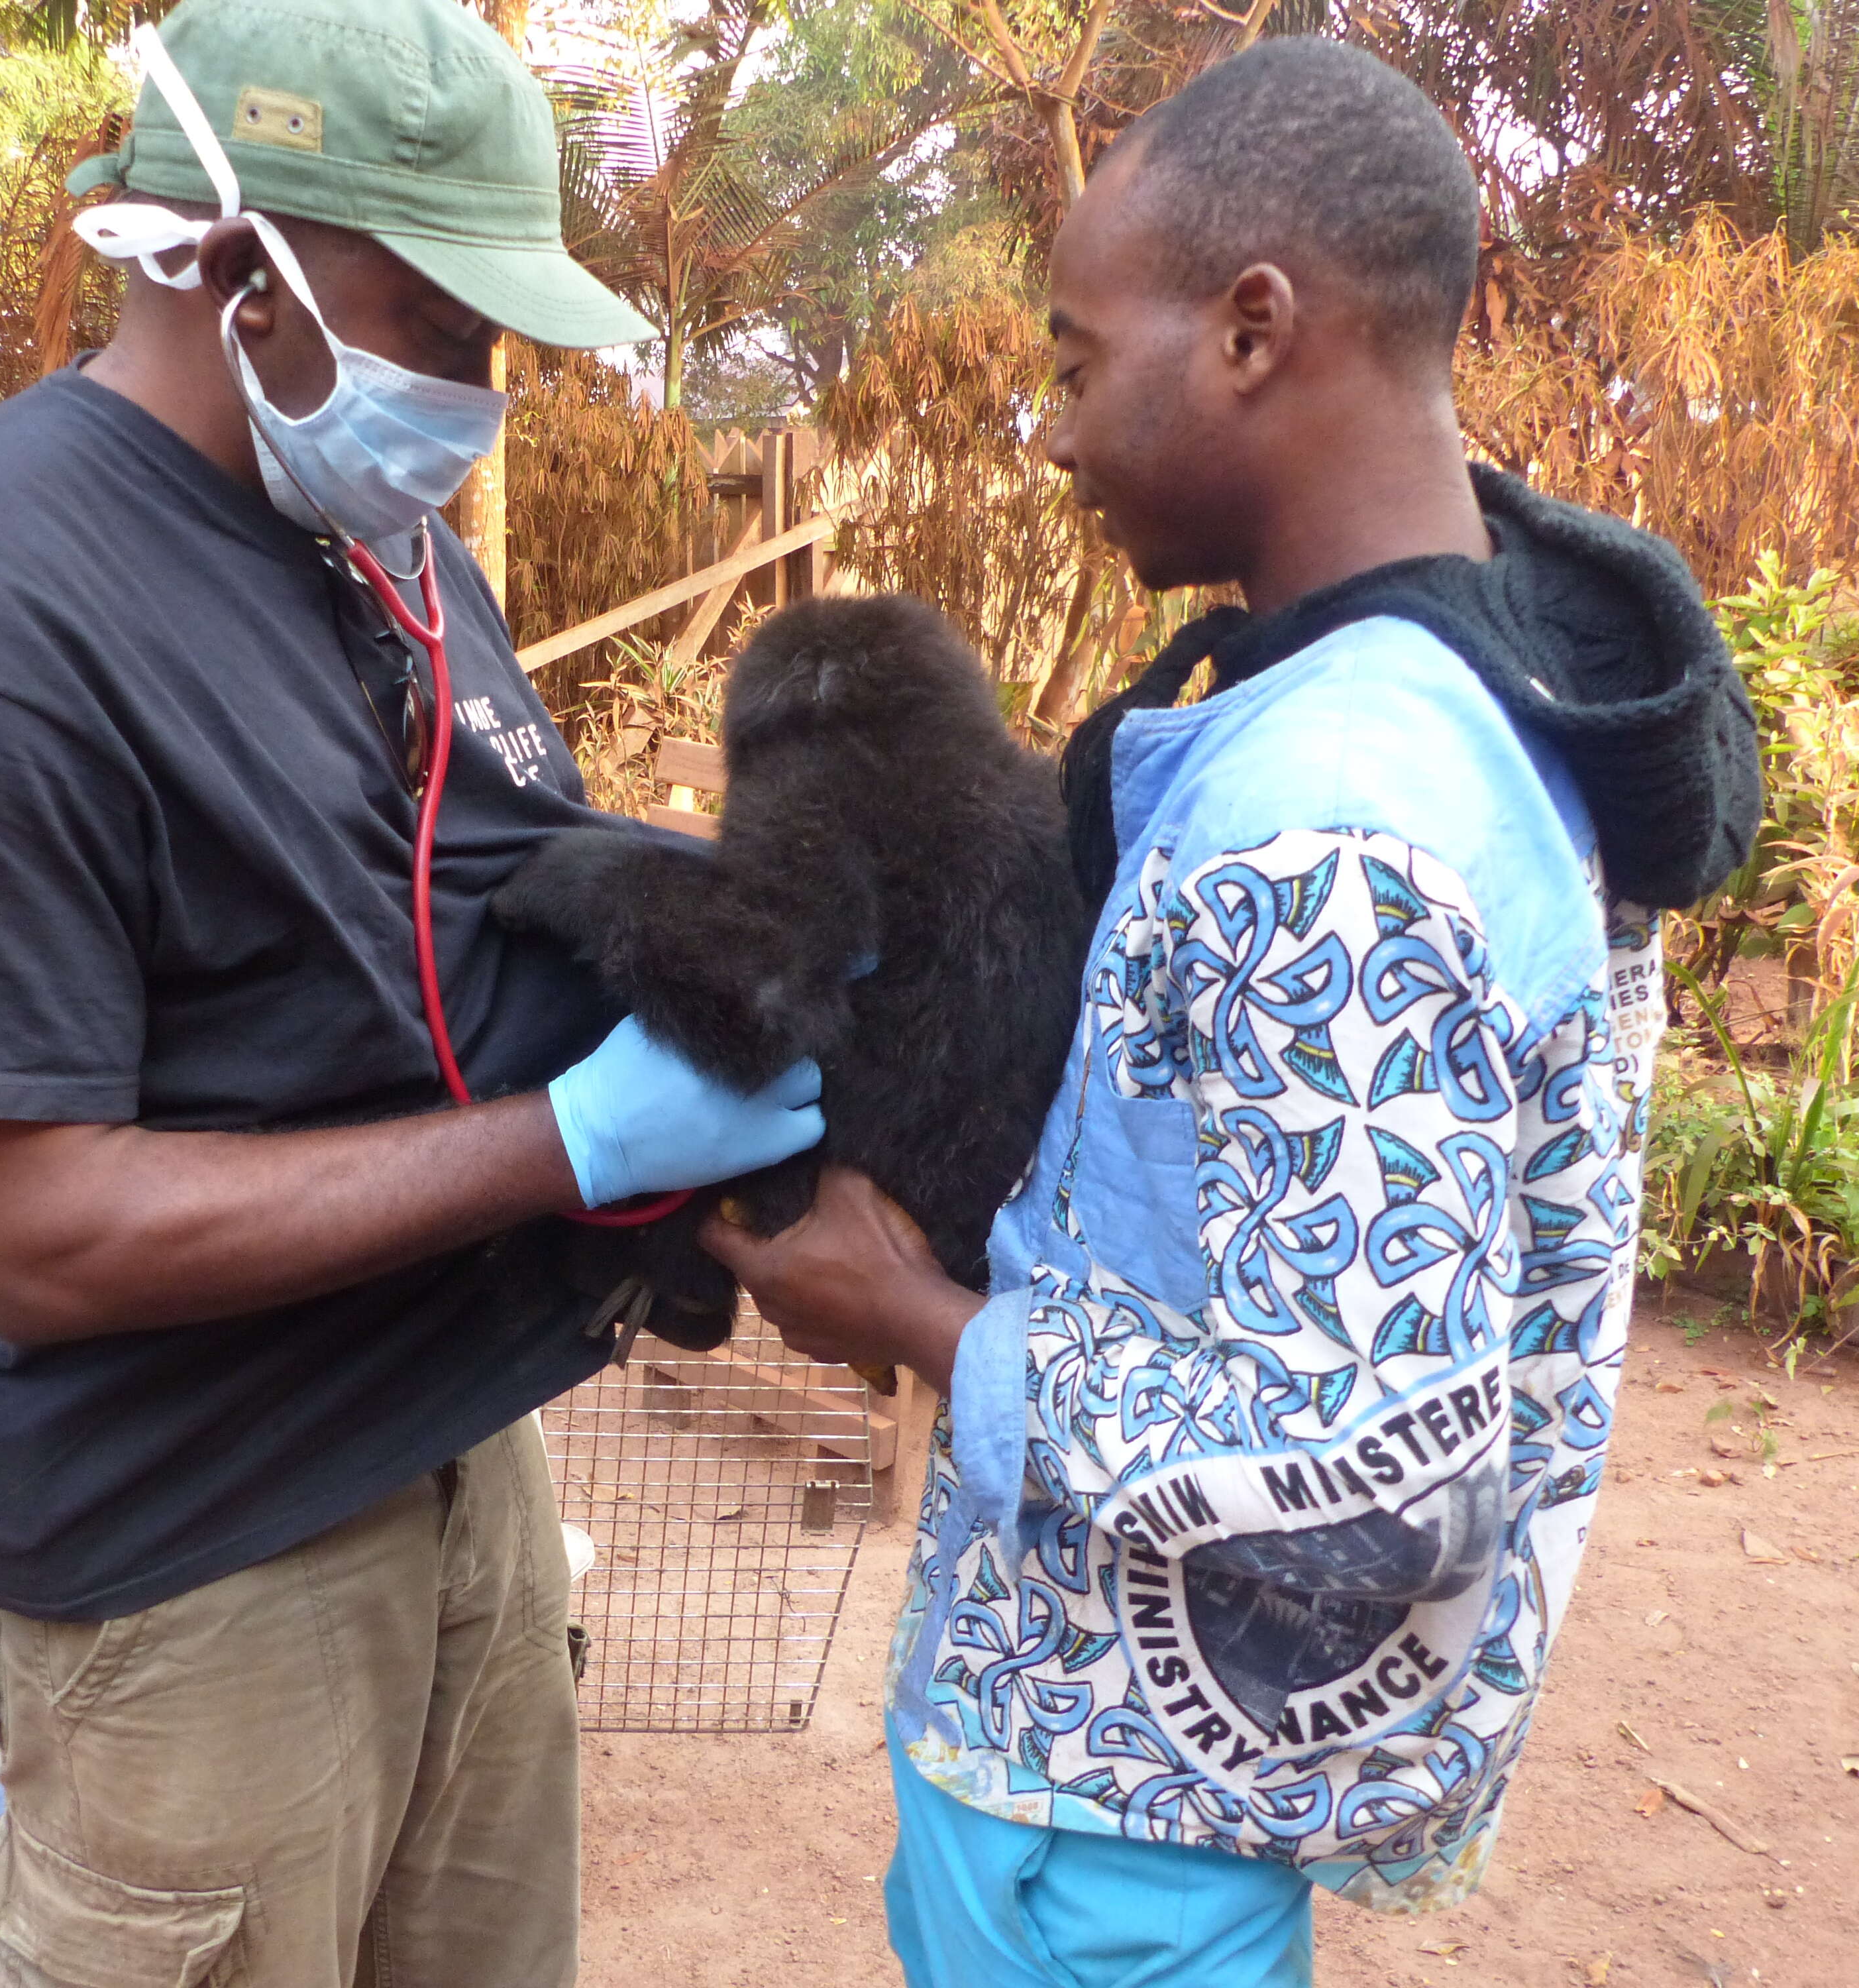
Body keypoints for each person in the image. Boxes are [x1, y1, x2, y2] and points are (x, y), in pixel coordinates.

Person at [704, 36, 1761, 1988]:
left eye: (1080, 360)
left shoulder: (1336, 822)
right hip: (1140, 1805)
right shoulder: (1454, 699)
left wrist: (911, 1315)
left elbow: (1370, 1456)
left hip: (1113, 1830)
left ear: (1257, 328)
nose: (1052, 430)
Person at [0, 4, 821, 1983]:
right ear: (236, 265)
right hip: (197, 1563)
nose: (477, 386)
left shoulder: (382, 544)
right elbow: (39, 1234)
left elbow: (479, 892)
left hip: (456, 1461)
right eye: (442, 323)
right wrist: (568, 1143)